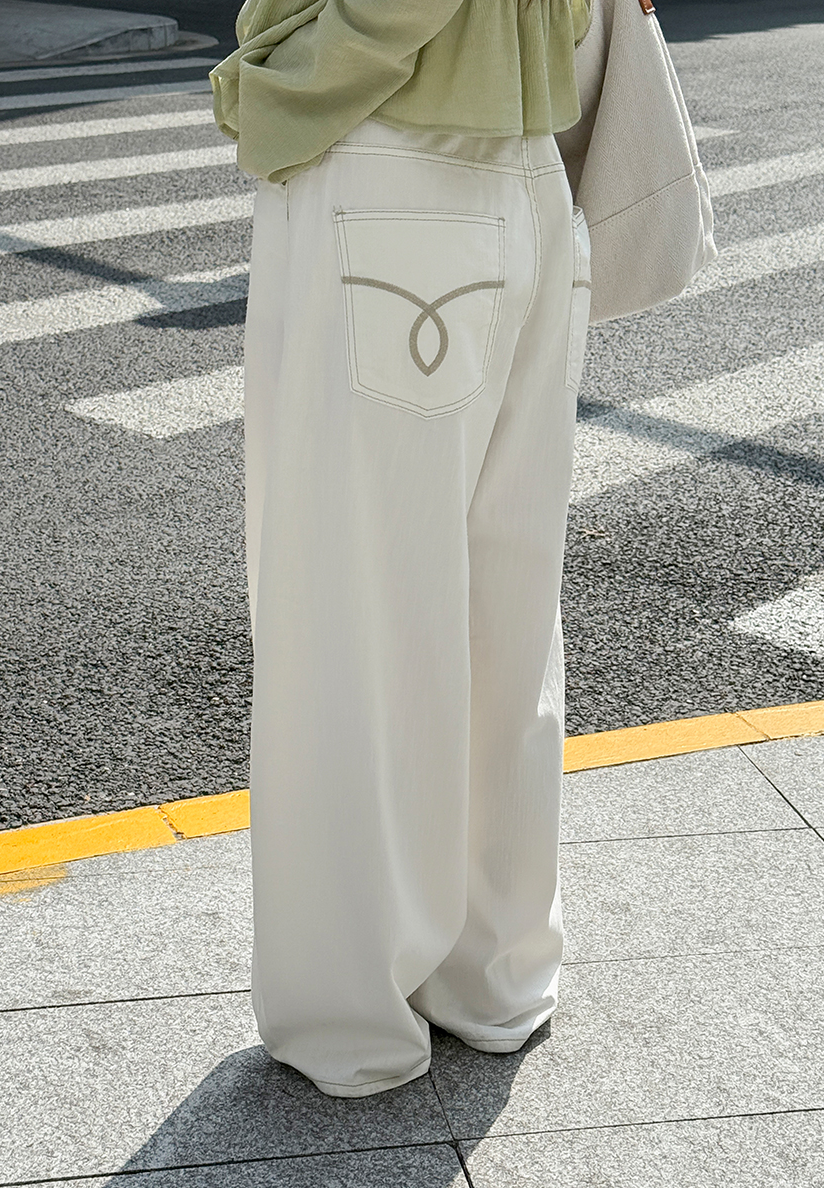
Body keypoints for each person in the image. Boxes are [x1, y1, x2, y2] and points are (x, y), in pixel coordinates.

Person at [210, 0, 594, 1098]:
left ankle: (353, 1018)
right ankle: (493, 976)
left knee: (351, 611)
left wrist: (274, 82)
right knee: (503, 608)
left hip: (389, 157)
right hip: (528, 169)